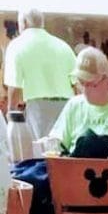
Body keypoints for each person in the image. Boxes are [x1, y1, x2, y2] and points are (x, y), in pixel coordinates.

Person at [48, 47, 108, 152]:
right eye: (81, 83)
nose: (85, 90)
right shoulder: (74, 105)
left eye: (91, 84)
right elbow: (57, 146)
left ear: (107, 82)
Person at [2, 9, 76, 138]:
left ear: (24, 23)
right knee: (64, 151)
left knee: (41, 151)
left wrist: (11, 116)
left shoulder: (16, 46)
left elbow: (14, 86)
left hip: (38, 109)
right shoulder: (63, 46)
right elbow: (78, 83)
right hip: (67, 107)